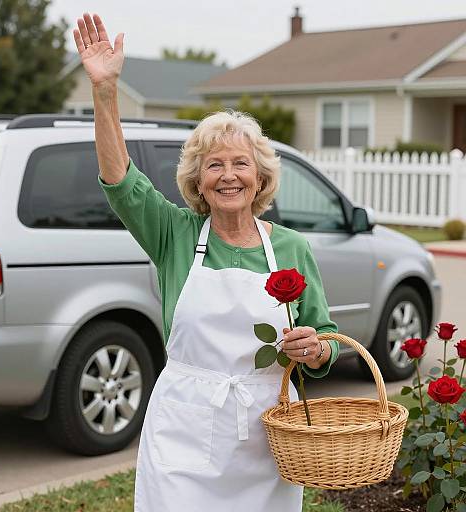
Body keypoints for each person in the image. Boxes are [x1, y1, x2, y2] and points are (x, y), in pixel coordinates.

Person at [74, 12, 340, 511]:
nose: (228, 175)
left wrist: (315, 349)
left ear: (260, 179)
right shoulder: (174, 234)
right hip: (183, 431)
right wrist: (106, 92)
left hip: (268, 437)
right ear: (197, 181)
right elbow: (120, 180)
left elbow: (326, 340)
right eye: (214, 165)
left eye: (241, 164)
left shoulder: (292, 248)